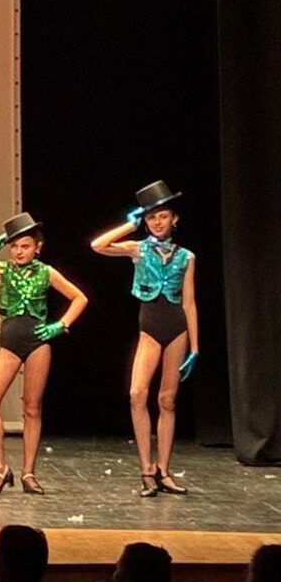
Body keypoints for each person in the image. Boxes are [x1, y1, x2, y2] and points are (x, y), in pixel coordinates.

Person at [0, 213, 89, 494]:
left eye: (25, 246)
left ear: (37, 247)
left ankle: (29, 473)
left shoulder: (46, 272)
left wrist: (60, 325)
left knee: (31, 407)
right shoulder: (3, 268)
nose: (19, 251)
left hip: (38, 342)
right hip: (11, 343)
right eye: (15, 246)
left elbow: (80, 297)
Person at [92, 181, 199, 496]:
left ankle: (164, 470)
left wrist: (196, 346)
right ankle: (146, 469)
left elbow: (190, 302)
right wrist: (129, 224)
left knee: (167, 399)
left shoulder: (187, 257)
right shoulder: (138, 248)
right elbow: (98, 245)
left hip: (177, 326)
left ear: (174, 219)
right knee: (137, 394)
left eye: (163, 216)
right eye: (152, 217)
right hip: (150, 326)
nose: (158, 222)